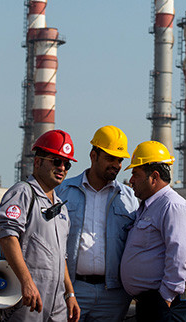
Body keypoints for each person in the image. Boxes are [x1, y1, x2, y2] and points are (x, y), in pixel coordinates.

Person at [0, 129, 81, 322]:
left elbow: (61, 256)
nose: (62, 168)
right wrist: (26, 282)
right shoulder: (23, 193)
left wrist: (70, 294)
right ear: (38, 162)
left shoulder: (61, 208)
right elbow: (8, 237)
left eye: (66, 164)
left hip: (57, 304)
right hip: (26, 299)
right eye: (56, 161)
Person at [56, 125, 139, 321]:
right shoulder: (63, 192)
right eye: (110, 158)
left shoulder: (129, 198)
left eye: (120, 160)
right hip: (72, 289)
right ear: (93, 156)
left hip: (113, 295)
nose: (116, 165)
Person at [120, 141, 186, 322]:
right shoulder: (148, 206)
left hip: (167, 299)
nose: (131, 180)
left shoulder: (172, 206)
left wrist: (166, 297)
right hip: (153, 299)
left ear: (154, 177)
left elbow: (180, 253)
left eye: (135, 174)